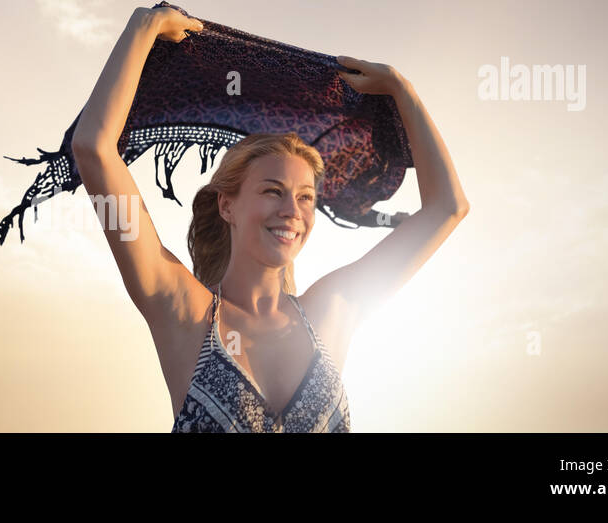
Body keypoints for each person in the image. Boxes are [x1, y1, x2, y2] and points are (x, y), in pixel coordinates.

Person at [71, 5, 469, 432]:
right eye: (272, 191)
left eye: (305, 198)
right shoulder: (182, 311)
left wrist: (401, 90)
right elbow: (95, 148)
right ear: (228, 206)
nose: (292, 212)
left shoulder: (333, 310)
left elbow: (448, 208)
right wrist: (144, 27)